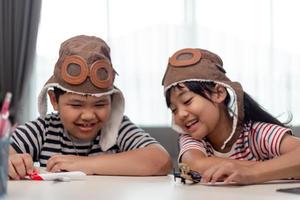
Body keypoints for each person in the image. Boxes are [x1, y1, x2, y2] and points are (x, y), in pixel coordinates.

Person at [9, 35, 172, 180]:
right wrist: (11, 160)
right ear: (54, 100)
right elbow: (5, 151)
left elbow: (161, 161)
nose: (88, 115)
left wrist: (85, 164)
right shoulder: (43, 130)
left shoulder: (117, 128)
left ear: (112, 100)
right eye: (76, 104)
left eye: (100, 104)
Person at [162, 48, 300, 185]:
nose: (180, 114)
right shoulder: (193, 139)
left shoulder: (256, 134)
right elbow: (194, 164)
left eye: (187, 101)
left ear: (218, 93)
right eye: (174, 110)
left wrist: (251, 173)